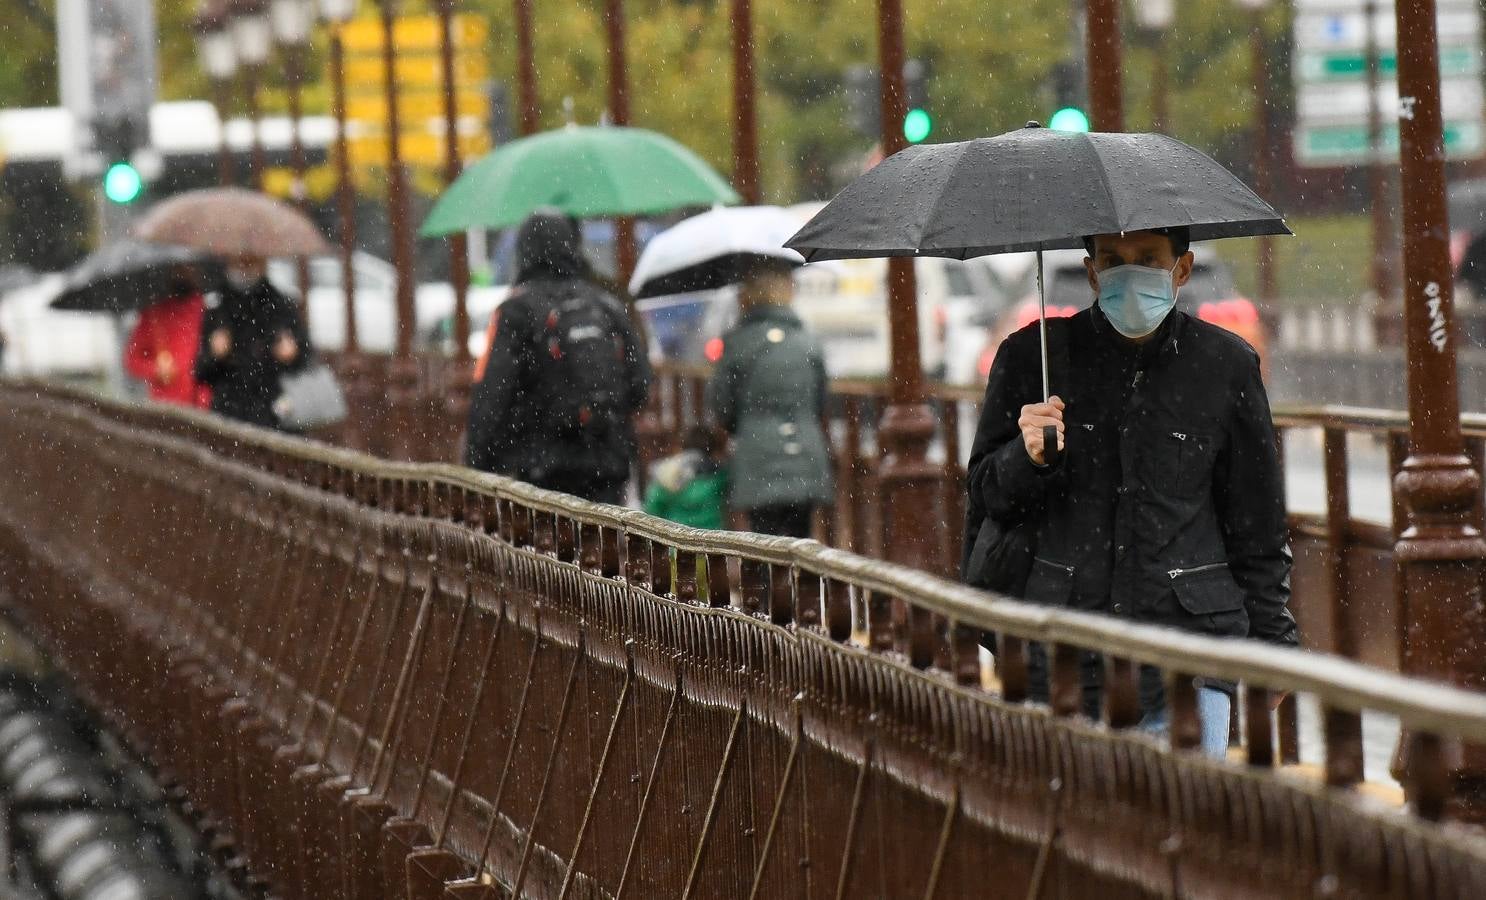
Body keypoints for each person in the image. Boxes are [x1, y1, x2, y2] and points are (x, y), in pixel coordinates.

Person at [964, 226, 1296, 758]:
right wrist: (1025, 458)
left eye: (1147, 259)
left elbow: (1256, 523)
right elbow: (984, 500)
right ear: (1091, 271)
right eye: (1113, 260)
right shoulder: (1034, 358)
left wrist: (1274, 644)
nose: (1128, 274)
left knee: (1183, 824)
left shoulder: (1225, 365)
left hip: (1189, 655)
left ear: (1181, 270)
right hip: (1062, 652)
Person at [464, 210, 651, 504]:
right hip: (607, 463)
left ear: (524, 251)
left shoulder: (516, 312)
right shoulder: (606, 305)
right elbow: (639, 384)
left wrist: (478, 465)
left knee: (549, 548)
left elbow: (492, 395)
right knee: (602, 546)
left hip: (543, 468)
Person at [705, 258, 832, 538]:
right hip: (805, 456)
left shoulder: (738, 344)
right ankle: (802, 583)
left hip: (757, 459)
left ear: (747, 295)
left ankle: (772, 583)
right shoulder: (807, 341)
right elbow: (821, 403)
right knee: (801, 546)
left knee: (765, 547)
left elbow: (722, 408)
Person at [194, 255, 310, 430]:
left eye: (250, 261)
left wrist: (292, 354)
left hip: (274, 412)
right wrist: (215, 355)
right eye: (239, 260)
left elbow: (304, 362)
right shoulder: (218, 309)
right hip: (229, 414)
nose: (244, 268)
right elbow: (201, 373)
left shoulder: (281, 307)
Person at [123, 268, 211, 408]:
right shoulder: (153, 314)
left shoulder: (207, 312)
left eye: (189, 268)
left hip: (202, 405)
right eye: (179, 268)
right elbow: (132, 361)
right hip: (167, 406)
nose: (185, 273)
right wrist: (156, 369)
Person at [643, 425, 729, 530]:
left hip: (676, 538)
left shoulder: (668, 475)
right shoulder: (719, 477)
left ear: (682, 447)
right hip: (712, 538)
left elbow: (652, 508)